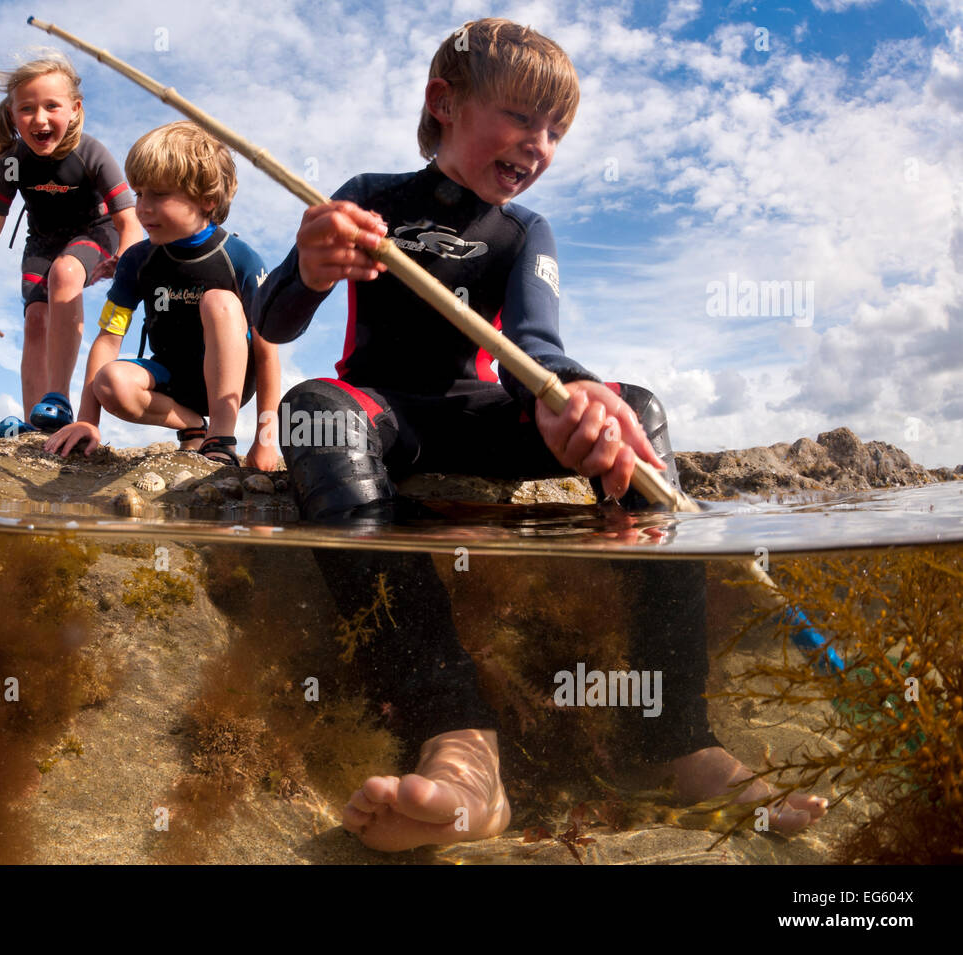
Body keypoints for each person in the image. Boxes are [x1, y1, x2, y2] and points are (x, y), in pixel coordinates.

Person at [253, 18, 829, 850]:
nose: (540, 145)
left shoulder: (526, 232)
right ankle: (458, 739)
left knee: (635, 406)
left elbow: (537, 345)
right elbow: (273, 319)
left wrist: (579, 399)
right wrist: (308, 267)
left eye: (556, 131)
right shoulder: (371, 196)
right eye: (523, 118)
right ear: (443, 104)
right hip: (387, 413)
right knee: (316, 404)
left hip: (488, 416)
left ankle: (676, 735)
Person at [0, 54, 142, 439]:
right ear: (12, 115)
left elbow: (129, 221)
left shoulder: (91, 153)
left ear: (75, 110)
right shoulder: (11, 162)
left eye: (51, 106)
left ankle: (58, 398)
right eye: (27, 109)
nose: (39, 119)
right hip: (42, 241)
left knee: (65, 272)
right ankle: (37, 425)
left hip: (97, 232)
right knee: (36, 320)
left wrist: (126, 255)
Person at [44, 122, 281, 469]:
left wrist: (266, 440)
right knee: (109, 381)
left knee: (219, 302)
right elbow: (109, 338)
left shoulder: (240, 260)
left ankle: (219, 437)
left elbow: (267, 352)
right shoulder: (136, 261)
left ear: (207, 200)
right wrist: (86, 420)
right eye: (139, 194)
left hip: (232, 382)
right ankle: (190, 425)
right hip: (169, 379)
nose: (143, 208)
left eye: (158, 194)